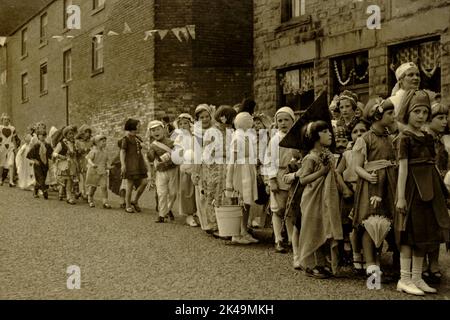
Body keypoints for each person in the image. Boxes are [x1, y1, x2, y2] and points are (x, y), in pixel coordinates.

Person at [395, 90, 450, 295]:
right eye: (416, 111)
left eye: (424, 112)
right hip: (411, 189)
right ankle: (404, 278)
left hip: (430, 188)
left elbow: (433, 164)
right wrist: (400, 197)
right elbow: (402, 168)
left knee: (424, 233)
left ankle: (417, 277)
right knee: (409, 233)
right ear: (407, 113)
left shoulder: (427, 136)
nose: (421, 116)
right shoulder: (404, 138)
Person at [352, 97, 397, 278]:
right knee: (370, 222)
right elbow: (357, 165)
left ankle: (380, 260)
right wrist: (367, 176)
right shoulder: (365, 139)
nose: (393, 116)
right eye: (389, 113)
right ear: (377, 116)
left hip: (389, 183)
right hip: (372, 184)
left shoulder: (390, 137)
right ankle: (370, 263)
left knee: (385, 221)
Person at [295, 120, 343, 278]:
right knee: (313, 228)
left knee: (324, 226)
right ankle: (312, 264)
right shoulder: (311, 158)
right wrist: (322, 172)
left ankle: (322, 263)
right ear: (314, 136)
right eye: (324, 131)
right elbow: (303, 179)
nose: (329, 134)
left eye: (329, 131)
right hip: (313, 198)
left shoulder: (327, 155)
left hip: (326, 196)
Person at [336, 120, 369, 272]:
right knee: (352, 225)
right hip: (352, 190)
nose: (359, 134)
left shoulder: (371, 153)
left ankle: (367, 255)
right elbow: (338, 172)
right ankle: (355, 255)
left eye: (362, 130)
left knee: (365, 224)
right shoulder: (347, 154)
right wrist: (344, 188)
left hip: (367, 190)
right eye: (355, 131)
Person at [422, 102, 449, 284]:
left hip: (440, 184)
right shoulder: (424, 138)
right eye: (440, 118)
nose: (445, 121)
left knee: (438, 224)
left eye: (446, 117)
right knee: (425, 224)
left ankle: (433, 262)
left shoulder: (441, 140)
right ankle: (422, 264)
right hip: (426, 183)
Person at [264, 107, 296, 253]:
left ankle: (291, 239)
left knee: (290, 208)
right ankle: (278, 239)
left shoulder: (296, 137)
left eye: (286, 120)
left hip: (293, 174)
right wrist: (271, 179)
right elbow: (269, 159)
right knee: (278, 209)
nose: (283, 123)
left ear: (292, 121)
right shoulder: (275, 139)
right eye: (280, 120)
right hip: (279, 174)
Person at [203, 105, 237, 237]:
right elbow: (207, 152)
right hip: (215, 167)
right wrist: (226, 154)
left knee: (225, 193)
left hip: (226, 166)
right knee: (214, 193)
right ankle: (214, 224)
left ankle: (225, 223)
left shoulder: (228, 131)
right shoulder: (211, 132)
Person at [226, 111, 259, 244]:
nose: (251, 123)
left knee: (247, 201)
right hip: (240, 171)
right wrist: (229, 181)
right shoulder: (237, 138)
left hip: (247, 169)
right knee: (240, 202)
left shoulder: (246, 136)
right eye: (248, 120)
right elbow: (232, 161)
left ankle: (244, 231)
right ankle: (236, 233)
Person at [147, 120, 178, 223]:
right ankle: (161, 215)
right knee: (161, 193)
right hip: (160, 172)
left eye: (158, 129)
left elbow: (177, 156)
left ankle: (167, 210)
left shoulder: (172, 142)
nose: (156, 132)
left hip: (172, 170)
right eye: (153, 130)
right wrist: (149, 152)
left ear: (163, 129)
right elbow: (151, 159)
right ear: (151, 133)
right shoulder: (152, 145)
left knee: (173, 193)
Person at [191, 104, 214, 232]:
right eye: (201, 117)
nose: (205, 119)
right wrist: (196, 172)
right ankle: (206, 223)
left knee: (213, 194)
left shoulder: (215, 130)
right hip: (202, 166)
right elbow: (197, 154)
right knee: (202, 194)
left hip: (214, 165)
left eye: (207, 116)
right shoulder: (197, 134)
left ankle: (214, 221)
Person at [173, 113, 198, 227]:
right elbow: (177, 151)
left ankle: (197, 212)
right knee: (186, 190)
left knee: (196, 189)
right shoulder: (179, 138)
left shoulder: (195, 136)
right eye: (181, 124)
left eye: (185, 123)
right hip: (185, 164)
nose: (183, 126)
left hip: (196, 163)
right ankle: (189, 215)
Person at [120, 119, 148, 213]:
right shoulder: (126, 139)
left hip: (140, 164)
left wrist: (145, 147)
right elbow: (122, 152)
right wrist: (123, 164)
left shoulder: (138, 138)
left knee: (144, 182)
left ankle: (135, 200)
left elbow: (145, 149)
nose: (140, 127)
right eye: (138, 125)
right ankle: (128, 205)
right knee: (130, 185)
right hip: (131, 164)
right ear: (132, 127)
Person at [52, 126, 78, 204]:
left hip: (72, 164)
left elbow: (74, 154)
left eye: (72, 134)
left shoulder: (73, 143)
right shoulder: (62, 144)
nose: (71, 136)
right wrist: (61, 156)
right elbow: (54, 153)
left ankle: (63, 194)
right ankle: (68, 196)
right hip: (64, 164)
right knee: (66, 180)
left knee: (69, 180)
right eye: (70, 134)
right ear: (65, 134)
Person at [85, 135, 112, 209]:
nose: (104, 143)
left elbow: (105, 162)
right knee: (93, 187)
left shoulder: (105, 152)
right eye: (102, 141)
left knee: (104, 187)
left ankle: (105, 202)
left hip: (102, 172)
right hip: (94, 171)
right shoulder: (93, 151)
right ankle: (90, 199)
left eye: (105, 141)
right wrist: (92, 164)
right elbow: (89, 159)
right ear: (96, 143)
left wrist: (109, 167)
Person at [26, 128, 53, 199]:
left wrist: (54, 157)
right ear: (38, 136)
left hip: (45, 164)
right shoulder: (36, 145)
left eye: (44, 135)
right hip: (38, 164)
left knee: (42, 179)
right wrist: (35, 160)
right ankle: (44, 191)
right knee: (40, 178)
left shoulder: (47, 145)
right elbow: (29, 155)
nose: (43, 137)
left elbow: (51, 154)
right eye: (41, 135)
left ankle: (35, 190)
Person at [75, 125, 93, 201]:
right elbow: (76, 151)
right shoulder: (78, 142)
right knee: (81, 177)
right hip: (80, 160)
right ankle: (81, 192)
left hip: (88, 160)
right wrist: (81, 150)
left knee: (87, 176)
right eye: (86, 132)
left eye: (89, 132)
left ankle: (85, 192)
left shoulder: (90, 142)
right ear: (82, 133)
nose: (87, 134)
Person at [0, 113, 18, 187]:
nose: (6, 121)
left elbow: (14, 139)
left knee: (11, 164)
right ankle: (0, 179)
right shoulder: (0, 128)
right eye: (4, 119)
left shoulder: (12, 128)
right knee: (1, 164)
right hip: (2, 147)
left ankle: (11, 181)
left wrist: (16, 149)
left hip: (10, 147)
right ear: (2, 120)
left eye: (7, 119)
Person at [109, 139, 127, 209]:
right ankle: (122, 201)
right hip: (121, 173)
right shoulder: (120, 153)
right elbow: (115, 163)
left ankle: (124, 201)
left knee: (126, 188)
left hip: (127, 173)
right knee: (123, 187)